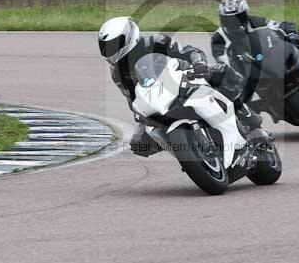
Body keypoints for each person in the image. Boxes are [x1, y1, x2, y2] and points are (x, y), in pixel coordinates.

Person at [97, 16, 269, 158]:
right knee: (139, 144)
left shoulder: (154, 41)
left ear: (128, 37)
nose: (109, 51)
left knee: (223, 73)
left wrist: (199, 64)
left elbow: (188, 51)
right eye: (105, 47)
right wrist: (139, 114)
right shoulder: (117, 73)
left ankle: (249, 119)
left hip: (185, 75)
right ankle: (191, 154)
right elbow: (131, 97)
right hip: (159, 97)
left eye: (113, 45)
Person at [211, 0, 299, 82]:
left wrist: (291, 33)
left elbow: (277, 26)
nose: (233, 23)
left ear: (245, 15)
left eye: (237, 18)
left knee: (293, 31)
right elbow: (224, 63)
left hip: (266, 56)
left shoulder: (256, 22)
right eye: (228, 20)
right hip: (245, 70)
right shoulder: (218, 39)